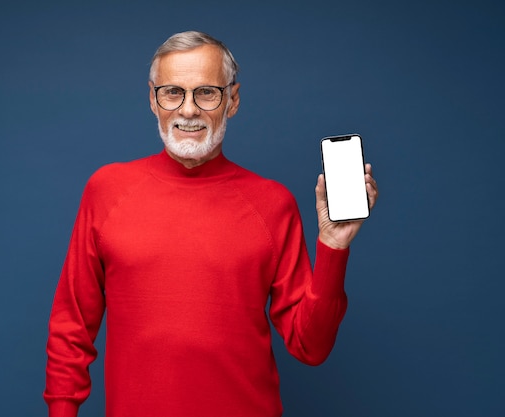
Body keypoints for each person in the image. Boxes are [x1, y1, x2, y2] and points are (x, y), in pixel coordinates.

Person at [44, 31, 378, 417]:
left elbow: (311, 347)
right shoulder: (106, 190)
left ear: (232, 100)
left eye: (206, 93)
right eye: (173, 92)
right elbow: (71, 328)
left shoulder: (273, 204)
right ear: (153, 99)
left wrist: (334, 247)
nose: (188, 110)